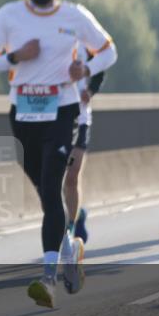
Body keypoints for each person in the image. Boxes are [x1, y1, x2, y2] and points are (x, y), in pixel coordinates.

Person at [0, 0, 118, 308]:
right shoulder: (9, 15)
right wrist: (16, 56)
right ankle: (71, 248)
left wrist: (85, 68)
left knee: (54, 180)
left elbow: (109, 50)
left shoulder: (75, 15)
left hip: (63, 109)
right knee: (46, 192)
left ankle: (48, 277)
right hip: (23, 113)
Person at [63, 62, 105, 245]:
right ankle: (76, 211)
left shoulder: (85, 36)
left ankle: (71, 226)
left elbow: (101, 64)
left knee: (72, 176)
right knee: (55, 178)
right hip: (53, 118)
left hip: (80, 119)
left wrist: (91, 90)